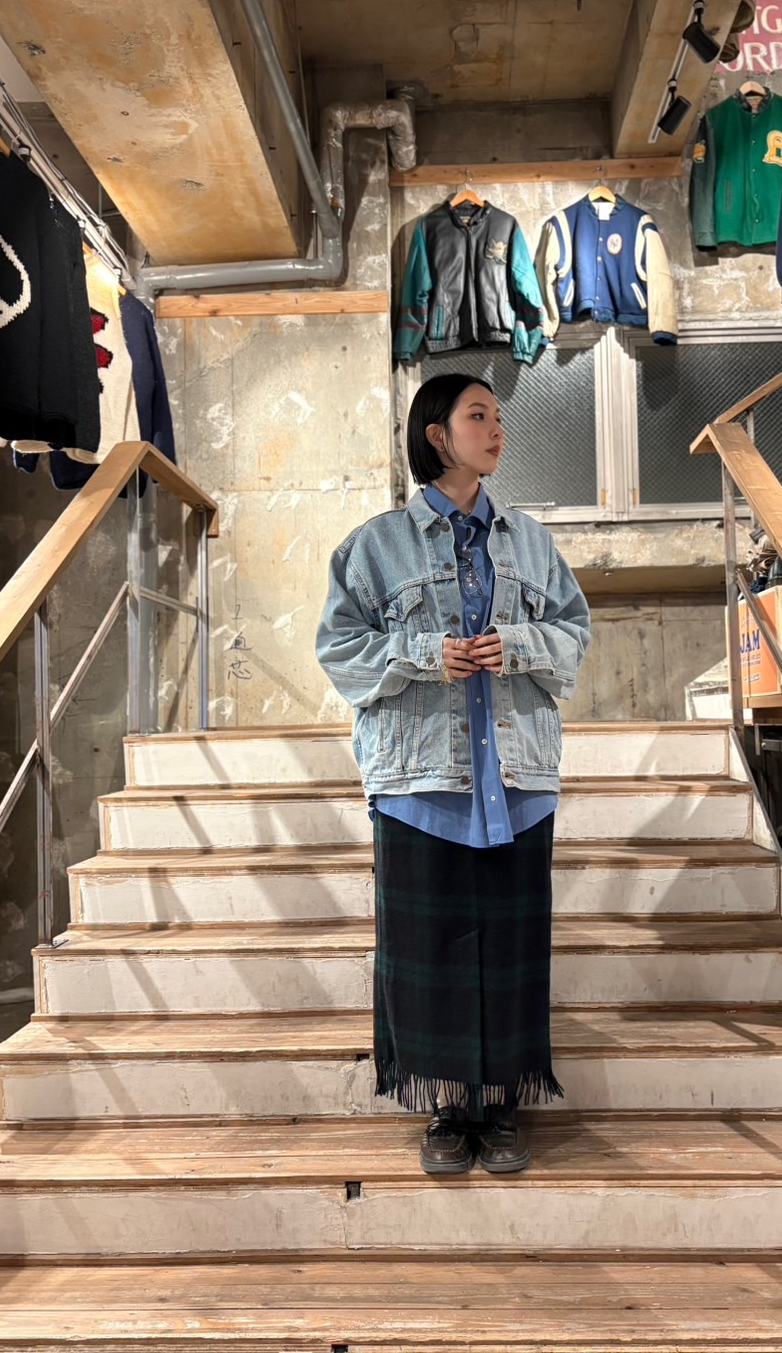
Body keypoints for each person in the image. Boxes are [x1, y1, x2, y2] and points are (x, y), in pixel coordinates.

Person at [316, 373, 591, 1175]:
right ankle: (444, 1105)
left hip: (516, 780)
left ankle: (500, 1104)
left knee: (510, 946)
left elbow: (574, 633)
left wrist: (523, 645)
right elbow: (340, 649)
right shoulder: (373, 547)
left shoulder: (532, 543)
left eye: (498, 416)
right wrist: (421, 655)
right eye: (479, 415)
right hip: (418, 784)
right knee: (428, 951)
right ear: (437, 434)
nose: (497, 428)